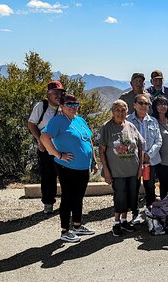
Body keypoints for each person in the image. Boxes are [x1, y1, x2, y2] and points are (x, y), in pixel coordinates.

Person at [40, 94, 98, 243]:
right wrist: (58, 155)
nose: (73, 107)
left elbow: (88, 139)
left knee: (78, 197)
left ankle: (77, 226)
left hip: (83, 166)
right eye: (69, 104)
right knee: (68, 197)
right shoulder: (57, 121)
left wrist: (94, 160)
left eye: (75, 104)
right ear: (62, 106)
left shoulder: (79, 120)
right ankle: (65, 230)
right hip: (67, 167)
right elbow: (44, 138)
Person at [99, 100, 145, 236]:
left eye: (123, 110)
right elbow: (101, 150)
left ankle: (125, 221)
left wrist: (140, 166)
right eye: (117, 110)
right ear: (112, 112)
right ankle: (116, 223)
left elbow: (141, 145)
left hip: (132, 170)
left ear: (127, 111)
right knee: (120, 197)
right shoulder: (106, 127)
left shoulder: (130, 126)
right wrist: (106, 170)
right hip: (117, 171)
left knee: (131, 197)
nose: (120, 113)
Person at [27, 80, 63, 214]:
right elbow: (31, 124)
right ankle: (48, 202)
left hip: (62, 146)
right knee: (48, 175)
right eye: (55, 93)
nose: (58, 96)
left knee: (65, 174)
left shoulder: (63, 106)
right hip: (46, 147)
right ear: (48, 95)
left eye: (60, 93)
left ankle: (67, 202)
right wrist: (40, 140)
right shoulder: (41, 106)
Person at [127, 94, 162, 224]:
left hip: (150, 161)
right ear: (134, 105)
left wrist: (148, 155)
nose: (143, 106)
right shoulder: (127, 121)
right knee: (134, 187)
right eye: (141, 103)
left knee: (150, 187)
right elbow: (125, 141)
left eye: (146, 104)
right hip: (133, 162)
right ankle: (135, 213)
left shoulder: (153, 121)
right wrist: (139, 156)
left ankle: (150, 212)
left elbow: (158, 140)